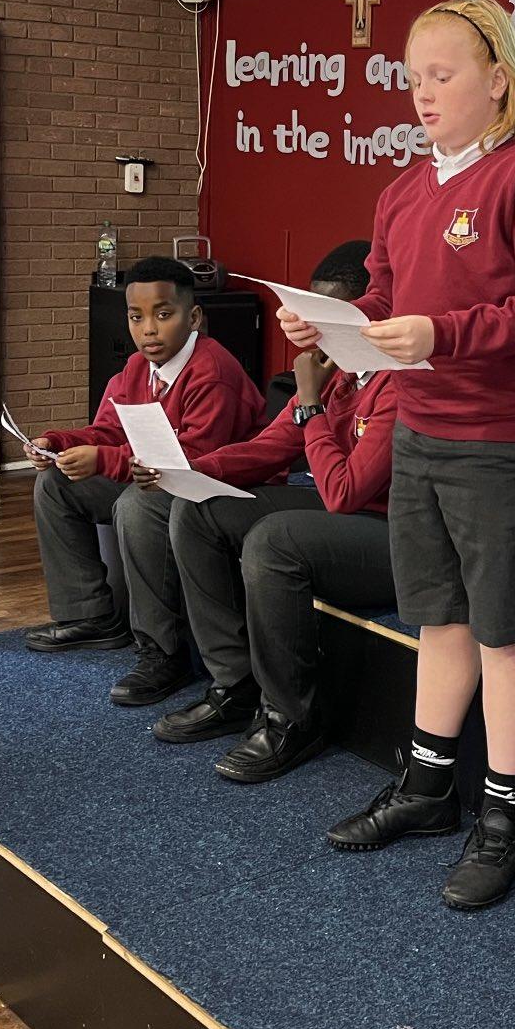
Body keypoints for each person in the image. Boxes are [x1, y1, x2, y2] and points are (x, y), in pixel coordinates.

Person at [279, 0, 515, 911]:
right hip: (419, 429)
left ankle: (506, 814)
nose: (421, 93)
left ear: (499, 82)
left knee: (503, 629)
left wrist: (441, 333)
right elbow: (381, 298)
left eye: (441, 76)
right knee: (440, 620)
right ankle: (426, 787)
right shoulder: (403, 192)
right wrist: (330, 323)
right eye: (413, 78)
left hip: (500, 439)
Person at [150, 241, 399, 783]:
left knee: (274, 539)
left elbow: (344, 492)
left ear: (370, 316)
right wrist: (189, 472)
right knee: (200, 510)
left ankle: (291, 717)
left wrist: (310, 405)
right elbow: (270, 446)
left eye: (328, 321)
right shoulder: (338, 371)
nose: (314, 333)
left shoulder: (398, 381)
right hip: (345, 513)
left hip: (397, 536)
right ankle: (234, 685)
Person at [23, 257, 265, 712]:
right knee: (57, 481)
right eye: (136, 317)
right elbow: (109, 430)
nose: (148, 329)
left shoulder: (213, 372)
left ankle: (164, 651)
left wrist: (103, 460)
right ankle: (90, 615)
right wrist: (57, 443)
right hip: (153, 477)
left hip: (214, 490)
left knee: (137, 504)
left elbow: (192, 463)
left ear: (194, 318)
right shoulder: (136, 368)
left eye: (163, 314)